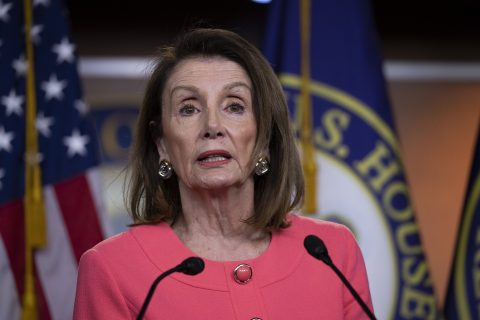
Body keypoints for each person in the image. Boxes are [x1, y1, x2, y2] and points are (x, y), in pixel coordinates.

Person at [73, 28, 374, 319]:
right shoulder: (112, 269)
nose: (212, 126)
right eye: (188, 109)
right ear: (161, 143)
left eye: (234, 106)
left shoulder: (331, 252)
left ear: (265, 139)